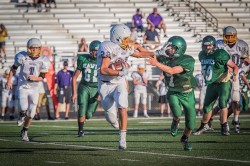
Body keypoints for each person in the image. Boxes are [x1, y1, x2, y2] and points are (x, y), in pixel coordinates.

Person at [97, 24, 154, 150]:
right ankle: (115, 123)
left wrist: (154, 53)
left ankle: (122, 138)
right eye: (125, 39)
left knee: (122, 106)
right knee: (111, 117)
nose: (128, 41)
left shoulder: (126, 46)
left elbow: (139, 54)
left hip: (120, 82)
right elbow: (103, 69)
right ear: (117, 38)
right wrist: (119, 72)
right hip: (105, 84)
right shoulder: (106, 46)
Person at [147, 36, 197, 151]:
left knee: (191, 125)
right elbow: (148, 53)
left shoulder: (188, 60)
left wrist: (156, 63)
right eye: (169, 47)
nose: (169, 49)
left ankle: (185, 138)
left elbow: (172, 70)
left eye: (172, 48)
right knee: (177, 113)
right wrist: (137, 48)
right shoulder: (165, 58)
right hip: (173, 92)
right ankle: (175, 121)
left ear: (179, 49)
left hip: (187, 93)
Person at [5, 38, 50, 141]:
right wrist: (9, 80)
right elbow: (13, 69)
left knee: (32, 113)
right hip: (23, 86)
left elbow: (42, 76)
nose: (34, 50)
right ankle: (21, 115)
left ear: (40, 49)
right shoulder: (22, 57)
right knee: (23, 106)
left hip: (34, 87)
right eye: (32, 48)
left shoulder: (43, 59)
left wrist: (36, 78)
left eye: (37, 48)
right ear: (28, 49)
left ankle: (24, 131)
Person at [193, 35, 238, 136]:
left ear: (214, 46)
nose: (207, 47)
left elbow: (234, 67)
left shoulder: (220, 53)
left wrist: (234, 75)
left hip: (223, 82)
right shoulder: (202, 55)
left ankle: (224, 126)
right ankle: (204, 125)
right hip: (212, 84)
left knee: (222, 103)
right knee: (206, 107)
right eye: (205, 45)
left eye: (209, 46)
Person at [215, 26, 249, 133]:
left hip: (235, 73)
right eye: (227, 35)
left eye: (231, 35)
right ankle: (211, 121)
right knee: (222, 101)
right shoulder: (220, 44)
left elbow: (245, 60)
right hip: (223, 74)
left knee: (236, 99)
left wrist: (246, 63)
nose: (229, 38)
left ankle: (236, 120)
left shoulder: (242, 45)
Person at [71, 40, 101, 137]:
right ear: (91, 51)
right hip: (84, 86)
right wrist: (74, 93)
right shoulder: (83, 59)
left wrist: (100, 93)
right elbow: (75, 77)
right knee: (82, 107)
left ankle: (84, 119)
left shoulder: (103, 61)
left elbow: (105, 79)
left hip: (96, 88)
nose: (97, 53)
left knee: (89, 114)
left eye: (98, 51)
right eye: (95, 51)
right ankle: (80, 131)